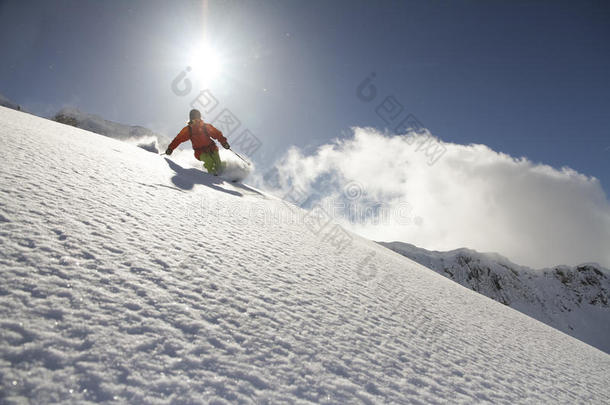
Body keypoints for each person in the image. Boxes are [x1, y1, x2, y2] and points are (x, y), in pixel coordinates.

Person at [165, 109, 230, 175]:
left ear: (199, 118)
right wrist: (170, 148)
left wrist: (224, 143)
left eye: (197, 119)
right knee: (209, 162)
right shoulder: (188, 129)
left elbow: (217, 134)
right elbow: (178, 139)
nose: (196, 121)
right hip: (200, 152)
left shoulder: (206, 126)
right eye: (194, 119)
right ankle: (213, 176)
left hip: (212, 148)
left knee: (218, 165)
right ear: (191, 119)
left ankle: (228, 174)